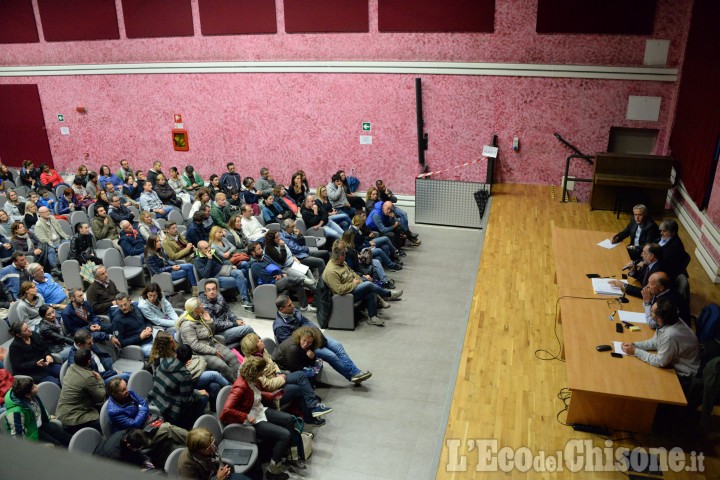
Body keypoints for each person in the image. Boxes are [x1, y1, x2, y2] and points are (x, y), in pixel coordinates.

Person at [220, 356, 293, 480]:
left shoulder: (250, 380)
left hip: (259, 410)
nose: (263, 373)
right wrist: (246, 416)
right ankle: (273, 472)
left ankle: (279, 453)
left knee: (289, 419)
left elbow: (254, 394)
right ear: (255, 372)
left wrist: (270, 396)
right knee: (284, 434)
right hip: (250, 420)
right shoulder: (240, 386)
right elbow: (225, 411)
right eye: (261, 371)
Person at [273, 294, 372, 384]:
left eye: (291, 303)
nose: (293, 306)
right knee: (331, 355)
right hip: (305, 345)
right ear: (282, 309)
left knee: (337, 345)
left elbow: (305, 321)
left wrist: (316, 333)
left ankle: (356, 372)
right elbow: (291, 346)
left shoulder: (293, 311)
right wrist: (309, 346)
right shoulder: (280, 327)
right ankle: (352, 376)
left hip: (312, 337)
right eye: (289, 305)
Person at [241, 332, 331, 425]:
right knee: (299, 388)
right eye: (258, 341)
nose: (261, 340)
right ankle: (309, 417)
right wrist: (282, 378)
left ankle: (314, 406)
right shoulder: (252, 364)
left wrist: (279, 373)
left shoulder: (262, 351)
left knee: (300, 375)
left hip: (278, 378)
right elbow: (267, 385)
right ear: (253, 347)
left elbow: (273, 363)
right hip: (272, 392)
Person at [105, 377, 188, 467]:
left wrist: (141, 411)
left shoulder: (130, 393)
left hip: (147, 424)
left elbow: (144, 404)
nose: (127, 390)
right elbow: (134, 425)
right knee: (167, 428)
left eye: (126, 387)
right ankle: (195, 440)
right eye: (123, 390)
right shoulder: (114, 411)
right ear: (114, 394)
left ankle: (191, 442)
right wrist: (141, 410)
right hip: (138, 436)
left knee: (168, 432)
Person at [621, 299, 701, 390]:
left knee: (642, 380)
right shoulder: (668, 321)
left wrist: (635, 351)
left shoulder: (670, 335)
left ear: (659, 318)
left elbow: (660, 362)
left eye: (652, 311)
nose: (650, 312)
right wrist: (635, 345)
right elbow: (656, 342)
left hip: (684, 375)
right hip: (672, 360)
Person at [323, 241, 402, 327]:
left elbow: (352, 272)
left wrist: (359, 280)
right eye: (345, 255)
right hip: (345, 295)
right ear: (341, 257)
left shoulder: (341, 262)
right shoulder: (331, 272)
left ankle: (372, 317)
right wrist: (354, 283)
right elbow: (339, 290)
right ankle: (388, 294)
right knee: (369, 285)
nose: (346, 257)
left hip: (353, 287)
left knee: (371, 292)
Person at [148, 331, 209, 430]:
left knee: (212, 382)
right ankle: (190, 426)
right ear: (165, 345)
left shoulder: (163, 360)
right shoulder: (183, 374)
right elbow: (186, 400)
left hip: (161, 396)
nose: (174, 343)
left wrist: (182, 365)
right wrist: (197, 393)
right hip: (170, 407)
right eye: (171, 341)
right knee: (204, 396)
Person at [177, 297, 242, 383]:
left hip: (211, 344)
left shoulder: (200, 317)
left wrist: (209, 321)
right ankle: (236, 385)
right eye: (200, 304)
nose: (202, 305)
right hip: (199, 353)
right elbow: (194, 346)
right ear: (196, 309)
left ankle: (243, 380)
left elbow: (212, 333)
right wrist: (213, 351)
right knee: (222, 366)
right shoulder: (187, 325)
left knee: (232, 357)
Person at [4, 376, 71, 445]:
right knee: (57, 445)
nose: (36, 386)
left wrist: (48, 416)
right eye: (33, 387)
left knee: (63, 436)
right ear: (27, 395)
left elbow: (38, 409)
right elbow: (18, 436)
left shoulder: (31, 395)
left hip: (40, 424)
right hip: (32, 433)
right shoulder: (15, 412)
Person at [55, 347, 106, 434]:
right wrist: (100, 380)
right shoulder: (88, 377)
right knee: (106, 420)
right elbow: (100, 397)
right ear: (89, 362)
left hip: (63, 414)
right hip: (75, 419)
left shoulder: (70, 368)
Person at [249, 241, 312, 311]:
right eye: (259, 249)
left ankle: (304, 307)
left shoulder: (265, 257)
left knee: (298, 284)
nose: (261, 250)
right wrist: (282, 276)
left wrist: (281, 275)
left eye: (261, 248)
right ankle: (303, 280)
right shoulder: (255, 266)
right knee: (286, 279)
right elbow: (268, 278)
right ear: (253, 252)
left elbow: (277, 265)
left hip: (277, 280)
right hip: (268, 285)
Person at [194, 240, 253, 311]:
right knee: (244, 280)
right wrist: (209, 259)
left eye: (209, 246)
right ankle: (247, 300)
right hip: (215, 277)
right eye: (206, 248)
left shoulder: (213, 252)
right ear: (200, 250)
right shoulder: (198, 260)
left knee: (240, 272)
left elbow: (223, 261)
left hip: (224, 270)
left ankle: (245, 300)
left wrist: (231, 265)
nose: (209, 249)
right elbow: (205, 274)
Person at [178, 427, 253, 480]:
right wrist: (218, 478)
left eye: (212, 443)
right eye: (208, 448)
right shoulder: (186, 464)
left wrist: (223, 470)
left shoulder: (210, 441)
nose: (213, 448)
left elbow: (216, 459)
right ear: (198, 450)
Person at [199, 279, 255, 346]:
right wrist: (234, 324)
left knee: (240, 320)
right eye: (209, 290)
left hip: (227, 324)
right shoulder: (204, 306)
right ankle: (261, 345)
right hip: (219, 333)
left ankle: (250, 347)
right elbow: (215, 325)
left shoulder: (219, 296)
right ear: (205, 292)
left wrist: (235, 319)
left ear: (217, 290)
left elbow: (227, 310)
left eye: (213, 289)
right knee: (247, 328)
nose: (212, 292)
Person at [8, 321, 61, 385]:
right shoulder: (14, 347)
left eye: (28, 327)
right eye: (25, 330)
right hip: (32, 372)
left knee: (64, 373)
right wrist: (35, 364)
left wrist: (48, 355)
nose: (29, 330)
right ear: (19, 335)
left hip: (45, 364)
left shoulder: (34, 334)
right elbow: (18, 366)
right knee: (56, 383)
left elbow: (44, 348)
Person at [111, 293, 155, 357]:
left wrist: (149, 327)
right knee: (160, 352)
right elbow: (120, 343)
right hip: (140, 346)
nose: (123, 308)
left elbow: (147, 321)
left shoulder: (137, 307)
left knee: (169, 341)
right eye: (120, 306)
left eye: (125, 304)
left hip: (152, 336)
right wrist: (139, 337)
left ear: (130, 301)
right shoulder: (117, 320)